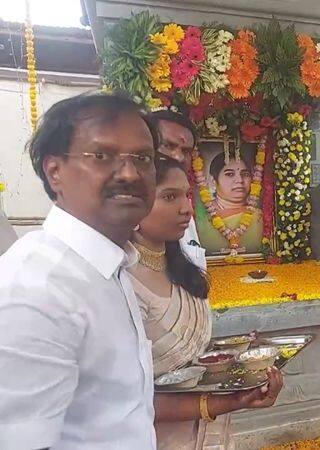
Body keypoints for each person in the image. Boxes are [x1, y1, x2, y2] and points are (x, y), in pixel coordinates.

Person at [0, 92, 158, 449]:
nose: (130, 173)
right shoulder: (38, 287)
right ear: (54, 171)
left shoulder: (108, 265)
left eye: (144, 158)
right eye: (102, 156)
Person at [130, 156, 283, 449]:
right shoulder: (122, 281)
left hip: (211, 432)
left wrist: (246, 359)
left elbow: (197, 358)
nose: (187, 207)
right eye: (169, 196)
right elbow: (125, 398)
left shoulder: (187, 270)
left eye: (187, 195)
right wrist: (226, 401)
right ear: (133, 207)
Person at [148, 109, 207, 269]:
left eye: (186, 151)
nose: (178, 157)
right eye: (168, 145)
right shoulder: (132, 210)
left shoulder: (184, 207)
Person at [195, 152, 263, 254]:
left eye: (245, 174)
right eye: (230, 174)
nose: (239, 180)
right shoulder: (200, 216)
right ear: (214, 181)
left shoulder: (260, 217)